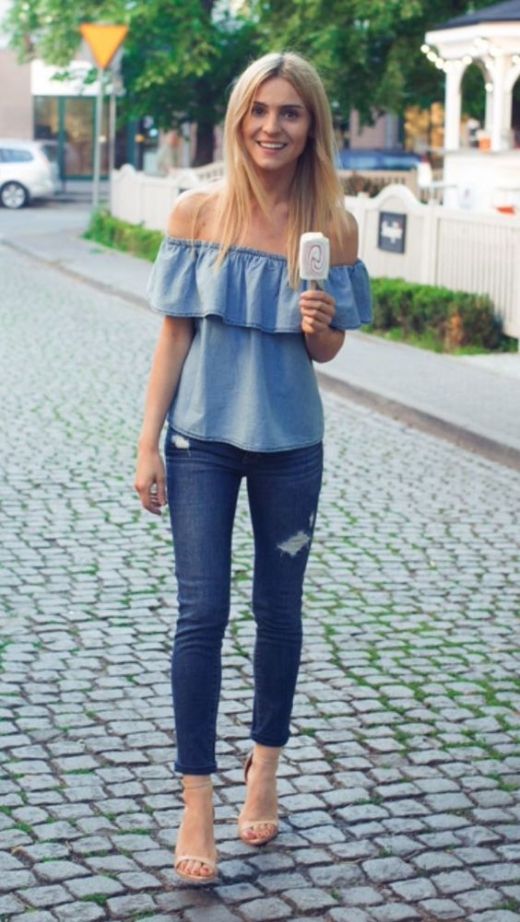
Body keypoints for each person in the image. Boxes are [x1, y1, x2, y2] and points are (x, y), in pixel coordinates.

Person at [134, 51, 372, 885]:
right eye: (258, 111)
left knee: (281, 614)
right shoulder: (197, 213)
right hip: (199, 442)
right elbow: (174, 334)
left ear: (312, 126)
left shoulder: (332, 227)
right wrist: (146, 445)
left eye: (290, 112)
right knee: (201, 617)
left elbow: (329, 350)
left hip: (290, 446)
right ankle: (196, 796)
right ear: (240, 119)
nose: (272, 126)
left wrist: (321, 321)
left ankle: (263, 763)